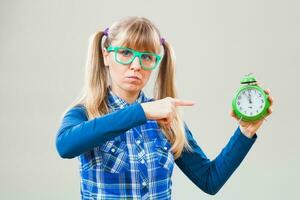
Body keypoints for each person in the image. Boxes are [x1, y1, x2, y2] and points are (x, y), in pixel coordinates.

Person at [55, 16, 273, 200]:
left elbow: (210, 180)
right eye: (125, 53)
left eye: (147, 57)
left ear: (155, 63)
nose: (136, 66)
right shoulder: (85, 112)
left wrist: (246, 132)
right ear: (106, 56)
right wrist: (142, 112)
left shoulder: (165, 118)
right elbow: (65, 146)